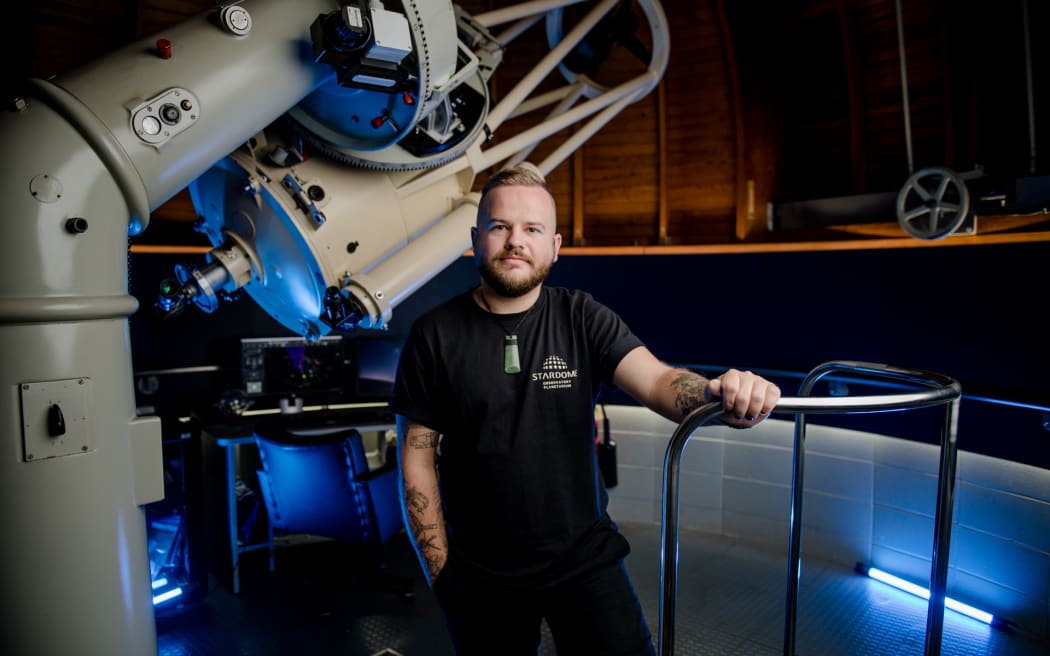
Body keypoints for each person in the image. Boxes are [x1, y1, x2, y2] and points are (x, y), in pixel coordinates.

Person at [391, 162, 781, 655]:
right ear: (476, 238)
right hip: (480, 573)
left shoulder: (581, 316)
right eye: (499, 226)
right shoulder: (433, 335)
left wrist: (716, 394)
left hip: (584, 560)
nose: (516, 240)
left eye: (532, 229)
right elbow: (416, 461)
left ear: (554, 246)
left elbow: (660, 381)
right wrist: (442, 574)